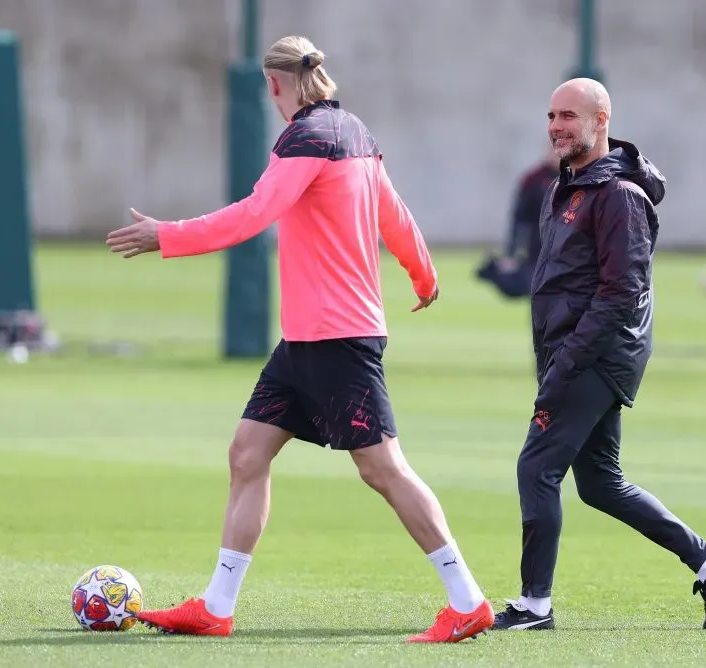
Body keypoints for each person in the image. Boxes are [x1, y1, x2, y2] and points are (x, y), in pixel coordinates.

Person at [105, 35, 494, 643]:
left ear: (273, 84)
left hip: (337, 338)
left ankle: (467, 601)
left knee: (383, 470)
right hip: (307, 340)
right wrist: (423, 272)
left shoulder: (305, 139)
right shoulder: (354, 131)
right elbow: (394, 213)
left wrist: (167, 234)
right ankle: (217, 605)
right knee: (247, 454)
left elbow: (253, 214)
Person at [491, 78, 706, 632]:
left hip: (595, 355)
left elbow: (620, 292)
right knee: (601, 482)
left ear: (601, 120)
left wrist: (569, 359)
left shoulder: (618, 196)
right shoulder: (567, 185)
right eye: (551, 115)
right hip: (576, 351)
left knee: (536, 466)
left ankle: (535, 606)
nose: (556, 126)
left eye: (569, 116)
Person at [475, 146, 558, 299]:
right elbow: (519, 218)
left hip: (568, 248)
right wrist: (512, 251)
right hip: (538, 248)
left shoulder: (577, 176)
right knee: (539, 294)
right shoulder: (534, 179)